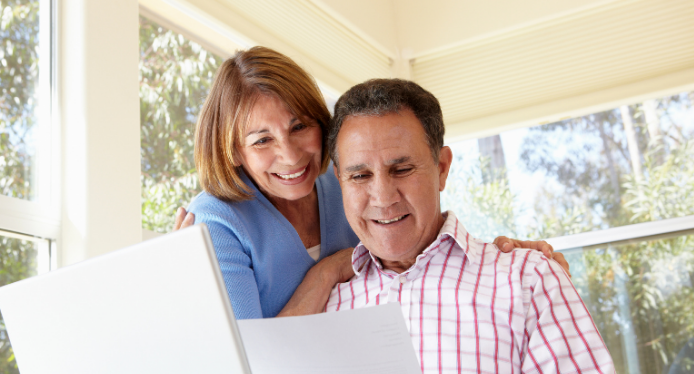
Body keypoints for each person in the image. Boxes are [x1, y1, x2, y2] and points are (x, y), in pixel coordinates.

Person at [265, 78, 638, 374]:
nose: (383, 196)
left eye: (402, 168)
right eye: (360, 176)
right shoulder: (323, 305)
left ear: (441, 168)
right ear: (339, 179)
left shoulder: (527, 278)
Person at [177, 46, 568, 324]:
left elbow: (420, 241)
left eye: (300, 126)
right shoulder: (216, 223)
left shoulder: (346, 180)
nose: (292, 155)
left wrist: (510, 261)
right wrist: (327, 272)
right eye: (262, 140)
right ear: (233, 151)